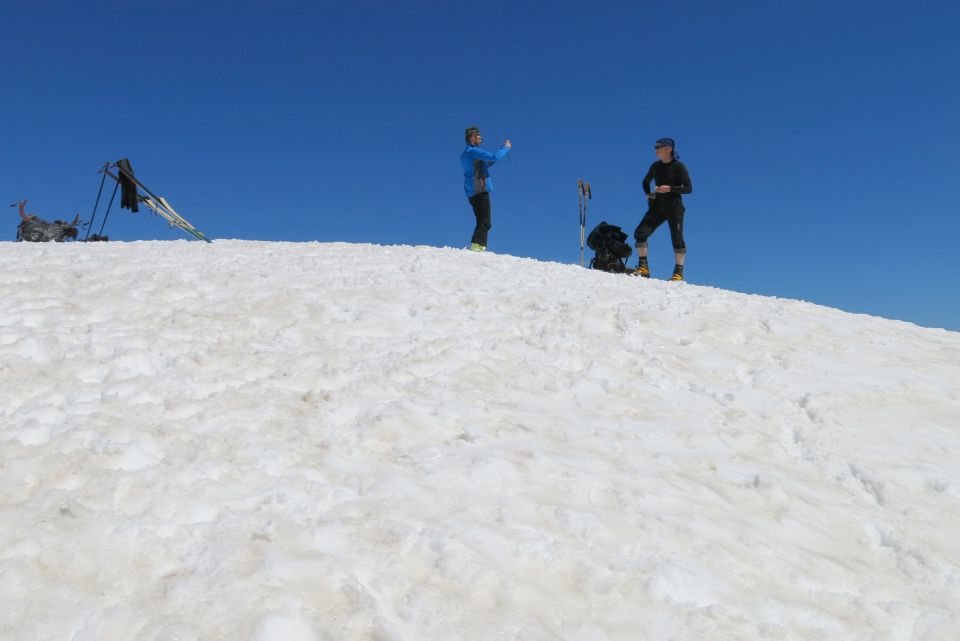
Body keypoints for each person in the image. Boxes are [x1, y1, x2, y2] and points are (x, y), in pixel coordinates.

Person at [632, 137, 693, 280]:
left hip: (674, 207)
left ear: (668, 149)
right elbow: (645, 181)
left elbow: (689, 188)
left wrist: (669, 189)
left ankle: (678, 274)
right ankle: (643, 268)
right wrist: (649, 195)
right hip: (657, 206)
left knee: (677, 239)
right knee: (640, 232)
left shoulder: (679, 167)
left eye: (658, 147)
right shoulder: (655, 166)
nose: (655, 149)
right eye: (655, 147)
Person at [460, 126, 511, 251]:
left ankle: (480, 247)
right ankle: (476, 246)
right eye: (478, 136)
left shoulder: (469, 154)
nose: (480, 138)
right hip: (479, 190)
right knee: (485, 221)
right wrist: (505, 148)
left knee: (483, 220)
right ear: (472, 137)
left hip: (474, 192)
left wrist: (500, 151)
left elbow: (487, 163)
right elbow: (493, 157)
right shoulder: (472, 151)